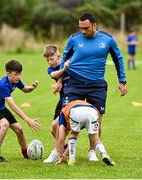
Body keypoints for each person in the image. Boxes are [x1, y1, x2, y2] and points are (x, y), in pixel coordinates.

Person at [60, 12, 128, 161]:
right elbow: (64, 57)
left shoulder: (108, 39)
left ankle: (92, 151)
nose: (83, 31)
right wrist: (60, 79)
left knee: (97, 119)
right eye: (80, 28)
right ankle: (61, 152)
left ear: (94, 25)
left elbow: (119, 59)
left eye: (86, 28)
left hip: (96, 85)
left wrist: (122, 81)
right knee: (67, 118)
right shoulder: (74, 39)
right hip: (74, 83)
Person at [0, 60, 40, 162]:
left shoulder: (15, 80)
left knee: (19, 129)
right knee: (5, 125)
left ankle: (26, 153)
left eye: (20, 74)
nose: (18, 77)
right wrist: (27, 119)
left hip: (0, 107)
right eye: (16, 74)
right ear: (8, 73)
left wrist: (32, 87)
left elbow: (25, 89)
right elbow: (13, 106)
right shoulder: (3, 85)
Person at [56, 100, 115, 166]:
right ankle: (104, 153)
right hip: (92, 111)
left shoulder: (62, 113)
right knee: (95, 139)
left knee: (73, 134)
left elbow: (61, 138)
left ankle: (72, 160)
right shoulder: (76, 104)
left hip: (76, 111)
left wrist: (61, 156)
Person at [43, 44, 69, 163]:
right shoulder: (52, 69)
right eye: (47, 60)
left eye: (52, 59)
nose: (49, 62)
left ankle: (57, 152)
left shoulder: (68, 61)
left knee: (56, 125)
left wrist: (60, 81)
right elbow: (55, 74)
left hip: (69, 99)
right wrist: (61, 76)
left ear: (59, 57)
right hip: (62, 99)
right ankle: (64, 148)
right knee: (53, 129)